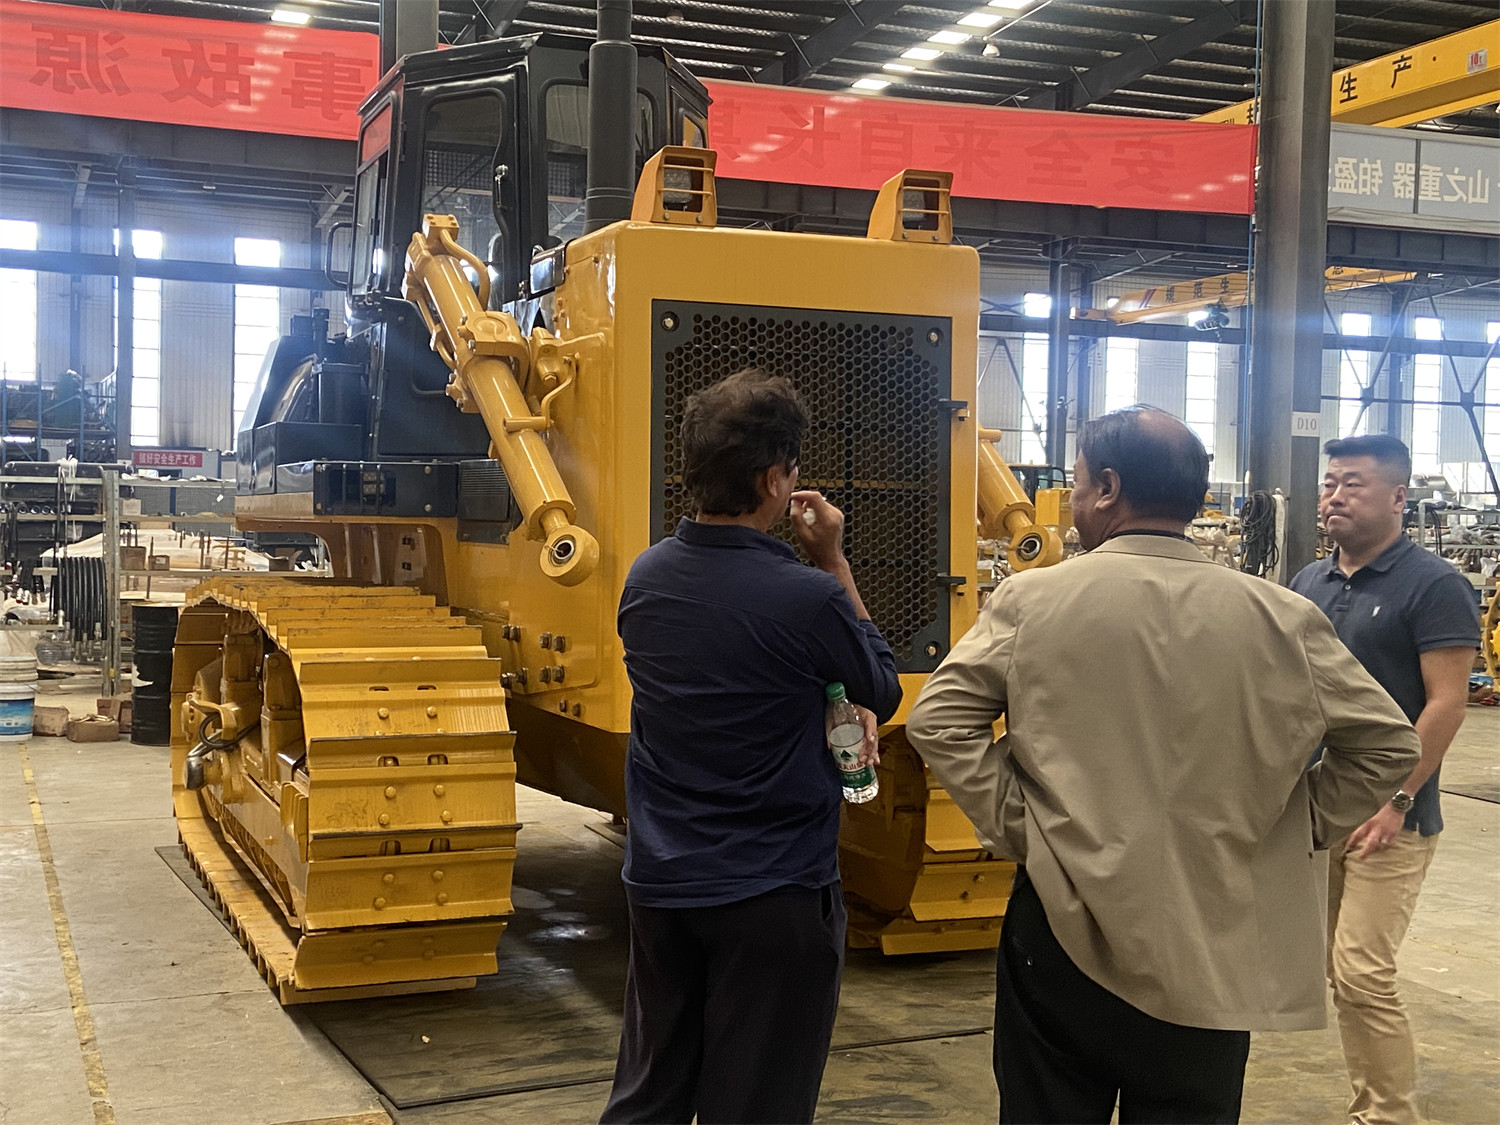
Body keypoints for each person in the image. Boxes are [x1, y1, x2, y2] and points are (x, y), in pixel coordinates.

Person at [907, 406, 1421, 1125]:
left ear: (1110, 488)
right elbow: (1388, 745)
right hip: (1211, 934)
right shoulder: (1281, 614)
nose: (1076, 501)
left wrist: (1020, 823)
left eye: (1079, 484)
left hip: (1063, 918)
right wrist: (1294, 818)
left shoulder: (1036, 600)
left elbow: (939, 720)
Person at [600, 368, 903, 1125]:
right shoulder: (808, 596)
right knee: (757, 1103)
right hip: (773, 893)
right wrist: (832, 554)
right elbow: (881, 684)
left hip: (662, 884)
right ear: (775, 479)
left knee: (650, 1092)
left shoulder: (646, 579)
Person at [1288, 434, 1479, 1125]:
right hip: (1319, 808)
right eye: (1329, 482)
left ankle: (1390, 1116)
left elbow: (1447, 701)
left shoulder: (1434, 585)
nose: (1334, 495)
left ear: (1398, 497)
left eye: (1353, 483)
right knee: (1335, 972)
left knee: (1364, 972)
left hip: (1391, 817)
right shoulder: (1309, 583)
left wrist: (1398, 798)